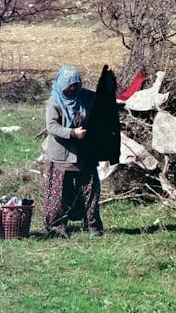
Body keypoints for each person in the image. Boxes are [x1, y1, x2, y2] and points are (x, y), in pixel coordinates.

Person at [42, 65, 104, 238]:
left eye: (76, 85)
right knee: (61, 193)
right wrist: (72, 133)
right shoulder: (54, 102)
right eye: (69, 86)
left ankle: (93, 225)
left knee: (91, 190)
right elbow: (52, 126)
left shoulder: (85, 97)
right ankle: (57, 226)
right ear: (61, 84)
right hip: (63, 154)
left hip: (85, 153)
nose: (72, 89)